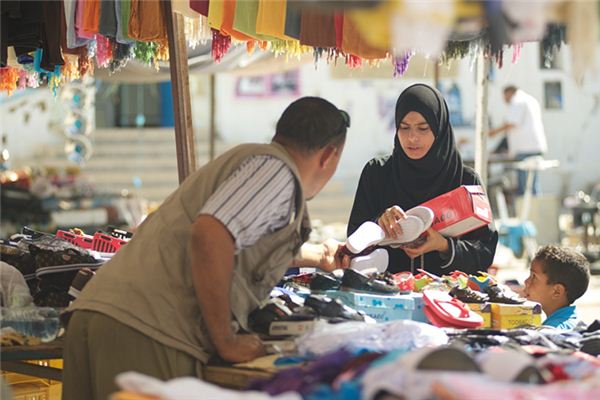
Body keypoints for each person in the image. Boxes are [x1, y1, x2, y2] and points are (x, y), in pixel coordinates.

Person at [62, 97, 352, 400]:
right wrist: (225, 340)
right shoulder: (277, 173)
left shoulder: (256, 163)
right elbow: (210, 235)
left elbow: (240, 241)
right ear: (329, 155)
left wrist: (319, 256)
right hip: (150, 331)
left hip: (102, 314)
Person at [348, 83, 498, 277]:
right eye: (404, 127)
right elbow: (353, 241)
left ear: (439, 128)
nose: (412, 138)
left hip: (447, 300)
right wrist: (379, 223)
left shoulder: (465, 181)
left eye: (423, 128)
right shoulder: (377, 173)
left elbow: (485, 252)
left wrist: (444, 246)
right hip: (386, 295)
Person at [488, 85, 548, 196]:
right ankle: (534, 210)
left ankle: (527, 211)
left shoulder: (517, 101)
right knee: (533, 183)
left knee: (525, 186)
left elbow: (512, 123)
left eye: (504, 97)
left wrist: (493, 132)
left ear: (509, 93)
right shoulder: (530, 100)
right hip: (534, 146)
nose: (504, 100)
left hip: (526, 148)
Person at [524, 245, 590, 330]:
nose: (526, 282)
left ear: (557, 291)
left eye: (534, 277)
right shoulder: (569, 321)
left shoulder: (552, 331)